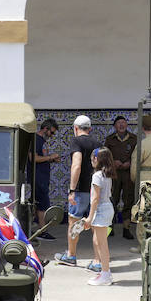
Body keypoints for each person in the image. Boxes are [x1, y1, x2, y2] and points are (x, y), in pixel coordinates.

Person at [56, 115, 99, 267]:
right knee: (96, 225)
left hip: (80, 190)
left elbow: (76, 165)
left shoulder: (76, 141)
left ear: (75, 128)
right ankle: (97, 261)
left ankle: (71, 256)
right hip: (95, 190)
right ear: (90, 129)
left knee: (73, 222)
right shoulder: (97, 143)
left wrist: (72, 189)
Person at [83, 146, 117, 286]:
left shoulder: (97, 175)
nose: (91, 161)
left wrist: (89, 218)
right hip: (106, 208)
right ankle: (104, 271)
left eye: (92, 158)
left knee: (102, 244)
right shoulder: (106, 174)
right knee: (98, 241)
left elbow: (95, 199)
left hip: (101, 210)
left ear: (97, 159)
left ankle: (106, 274)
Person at [103, 116, 138, 240]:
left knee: (128, 200)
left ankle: (126, 228)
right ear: (115, 126)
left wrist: (130, 162)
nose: (122, 125)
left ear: (127, 125)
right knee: (112, 200)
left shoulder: (134, 139)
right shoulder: (109, 139)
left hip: (129, 175)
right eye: (119, 123)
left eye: (124, 123)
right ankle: (110, 227)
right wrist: (113, 162)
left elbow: (138, 156)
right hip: (114, 175)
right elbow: (104, 156)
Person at [30, 118, 60, 239]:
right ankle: (42, 231)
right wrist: (50, 157)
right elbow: (34, 158)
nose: (52, 136)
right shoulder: (36, 140)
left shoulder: (41, 141)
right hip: (37, 177)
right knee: (42, 205)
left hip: (42, 177)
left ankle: (41, 229)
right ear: (45, 129)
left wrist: (51, 159)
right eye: (51, 132)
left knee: (41, 204)